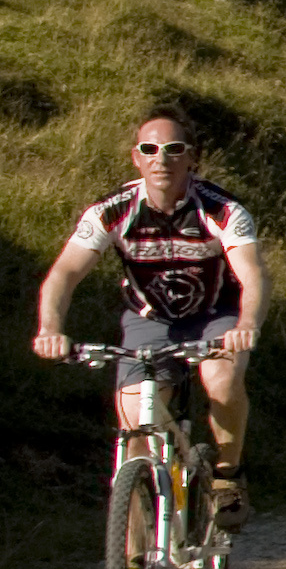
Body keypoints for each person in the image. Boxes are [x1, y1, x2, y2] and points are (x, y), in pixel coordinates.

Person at [30, 109, 271, 522]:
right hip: (150, 319)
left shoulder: (222, 209)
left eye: (174, 149)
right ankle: (134, 559)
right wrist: (50, 328)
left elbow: (254, 275)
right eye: (150, 149)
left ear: (192, 158)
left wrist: (247, 325)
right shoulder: (112, 210)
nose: (162, 159)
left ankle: (228, 475)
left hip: (216, 314)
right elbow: (63, 274)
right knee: (134, 424)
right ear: (136, 158)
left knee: (222, 382)